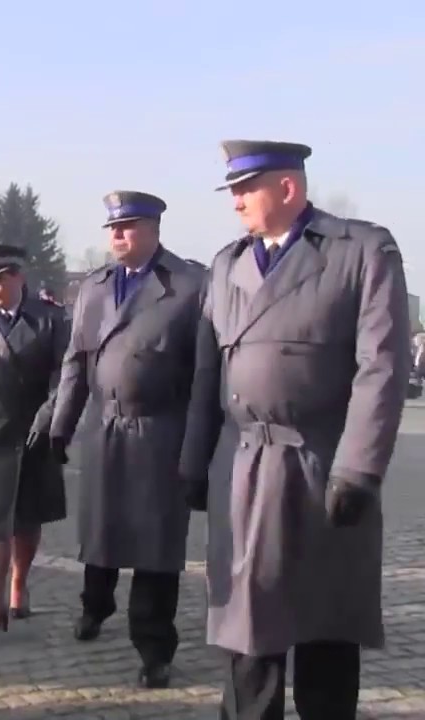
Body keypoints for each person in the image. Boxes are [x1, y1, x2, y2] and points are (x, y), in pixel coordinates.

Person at [180, 140, 410, 719]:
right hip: (243, 469)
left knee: (324, 628)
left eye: (244, 189)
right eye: (231, 190)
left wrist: (358, 470)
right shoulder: (227, 264)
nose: (234, 202)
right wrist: (192, 461)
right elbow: (208, 371)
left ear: (287, 188)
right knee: (246, 632)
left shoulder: (359, 251)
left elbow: (381, 366)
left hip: (319, 468)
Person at [49, 190, 204, 689]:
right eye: (112, 227)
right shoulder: (95, 288)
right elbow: (75, 363)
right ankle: (95, 606)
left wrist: (200, 449)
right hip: (105, 429)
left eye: (129, 226)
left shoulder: (186, 285)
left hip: (160, 432)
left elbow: (206, 375)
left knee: (157, 548)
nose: (117, 235)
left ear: (155, 229)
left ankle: (155, 647)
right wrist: (59, 427)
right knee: (101, 532)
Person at [0, 244, 68, 631]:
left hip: (33, 430)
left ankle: (18, 585)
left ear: (18, 277)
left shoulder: (49, 319)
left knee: (28, 517)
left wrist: (51, 414)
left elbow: (66, 374)